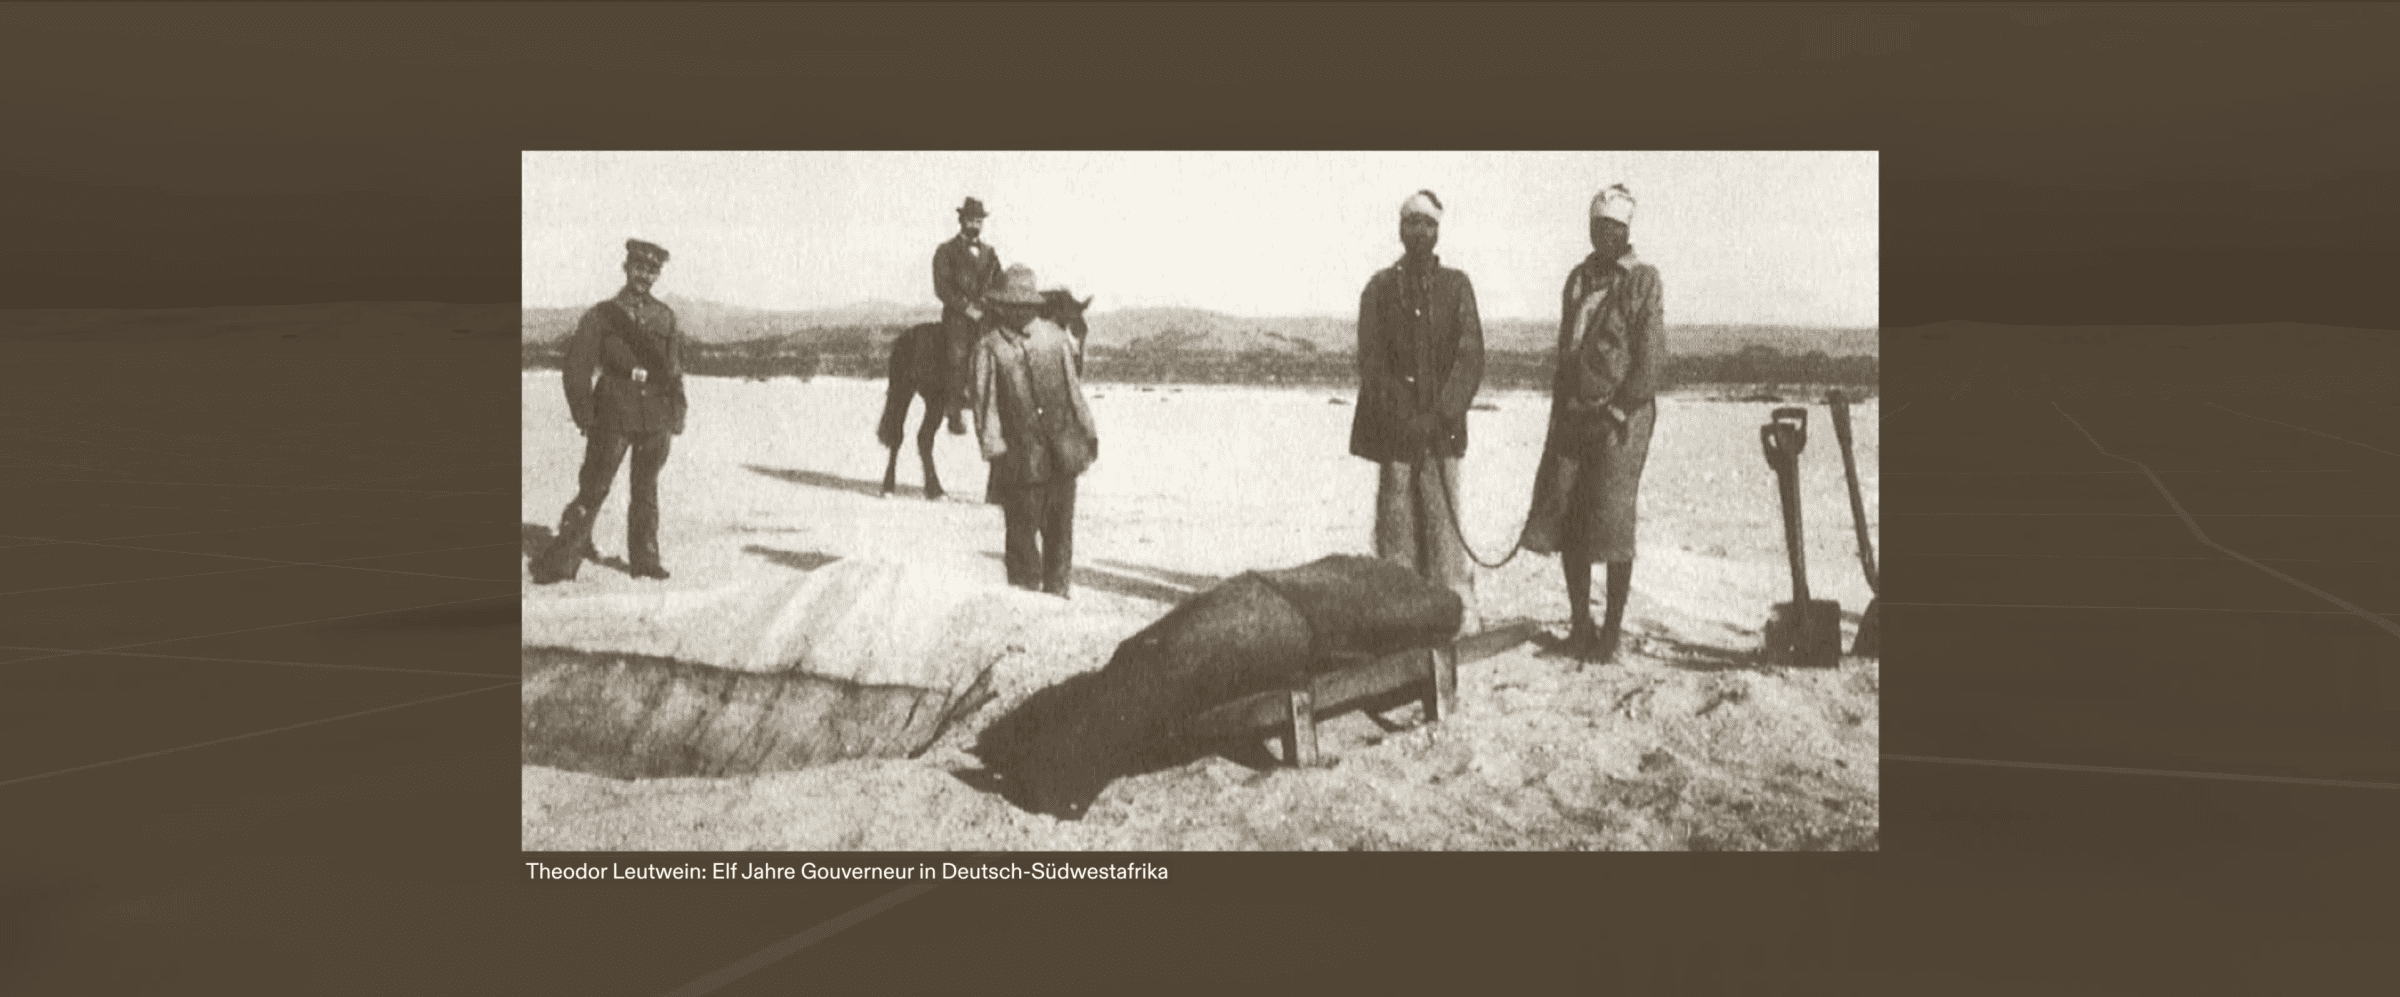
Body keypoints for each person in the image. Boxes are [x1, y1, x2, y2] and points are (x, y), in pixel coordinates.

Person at [1521, 184, 1665, 663]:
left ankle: (1612, 632)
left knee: (1611, 520)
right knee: (1567, 516)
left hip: (1622, 418)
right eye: (1598, 226)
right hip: (1574, 415)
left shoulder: (1643, 281)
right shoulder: (1578, 279)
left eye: (1615, 228)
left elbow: (1650, 361)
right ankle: (1581, 626)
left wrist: (1619, 410)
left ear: (1626, 232)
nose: (1606, 235)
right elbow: (1568, 350)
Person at [1349, 190, 1487, 635]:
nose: (1420, 232)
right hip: (1394, 429)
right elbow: (1371, 361)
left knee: (1443, 520)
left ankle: (1456, 610)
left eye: (1428, 224)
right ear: (1400, 228)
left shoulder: (1457, 287)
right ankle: (1397, 615)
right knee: (1395, 519)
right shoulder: (1379, 289)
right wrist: (1404, 415)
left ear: (1438, 230)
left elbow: (1471, 357)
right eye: (1412, 223)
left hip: (1442, 430)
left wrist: (1442, 412)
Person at [530, 238, 688, 585]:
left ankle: (645, 561)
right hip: (614, 413)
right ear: (626, 267)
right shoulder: (601, 315)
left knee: (646, 490)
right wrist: (585, 414)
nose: (644, 275)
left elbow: (673, 369)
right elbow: (577, 366)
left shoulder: (665, 316)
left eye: (652, 270)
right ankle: (563, 559)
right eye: (639, 267)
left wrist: (677, 411)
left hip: (655, 418)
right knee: (595, 487)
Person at [971, 264, 1099, 597]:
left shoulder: (1055, 338)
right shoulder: (989, 346)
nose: (1019, 311)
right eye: (1012, 304)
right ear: (1002, 306)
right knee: (1022, 540)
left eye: (1025, 304)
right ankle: (1025, 607)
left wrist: (1088, 430)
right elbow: (987, 407)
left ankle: (1058, 596)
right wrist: (995, 452)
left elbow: (1073, 391)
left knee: (1060, 535)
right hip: (1020, 461)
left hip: (1063, 455)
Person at [933, 196, 1005, 434]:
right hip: (958, 316)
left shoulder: (990, 253)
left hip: (986, 314)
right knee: (958, 352)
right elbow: (942, 288)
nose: (975, 225)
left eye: (979, 221)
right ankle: (953, 408)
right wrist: (967, 308)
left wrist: (992, 303)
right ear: (962, 221)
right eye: (971, 220)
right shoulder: (946, 251)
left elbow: (1000, 282)